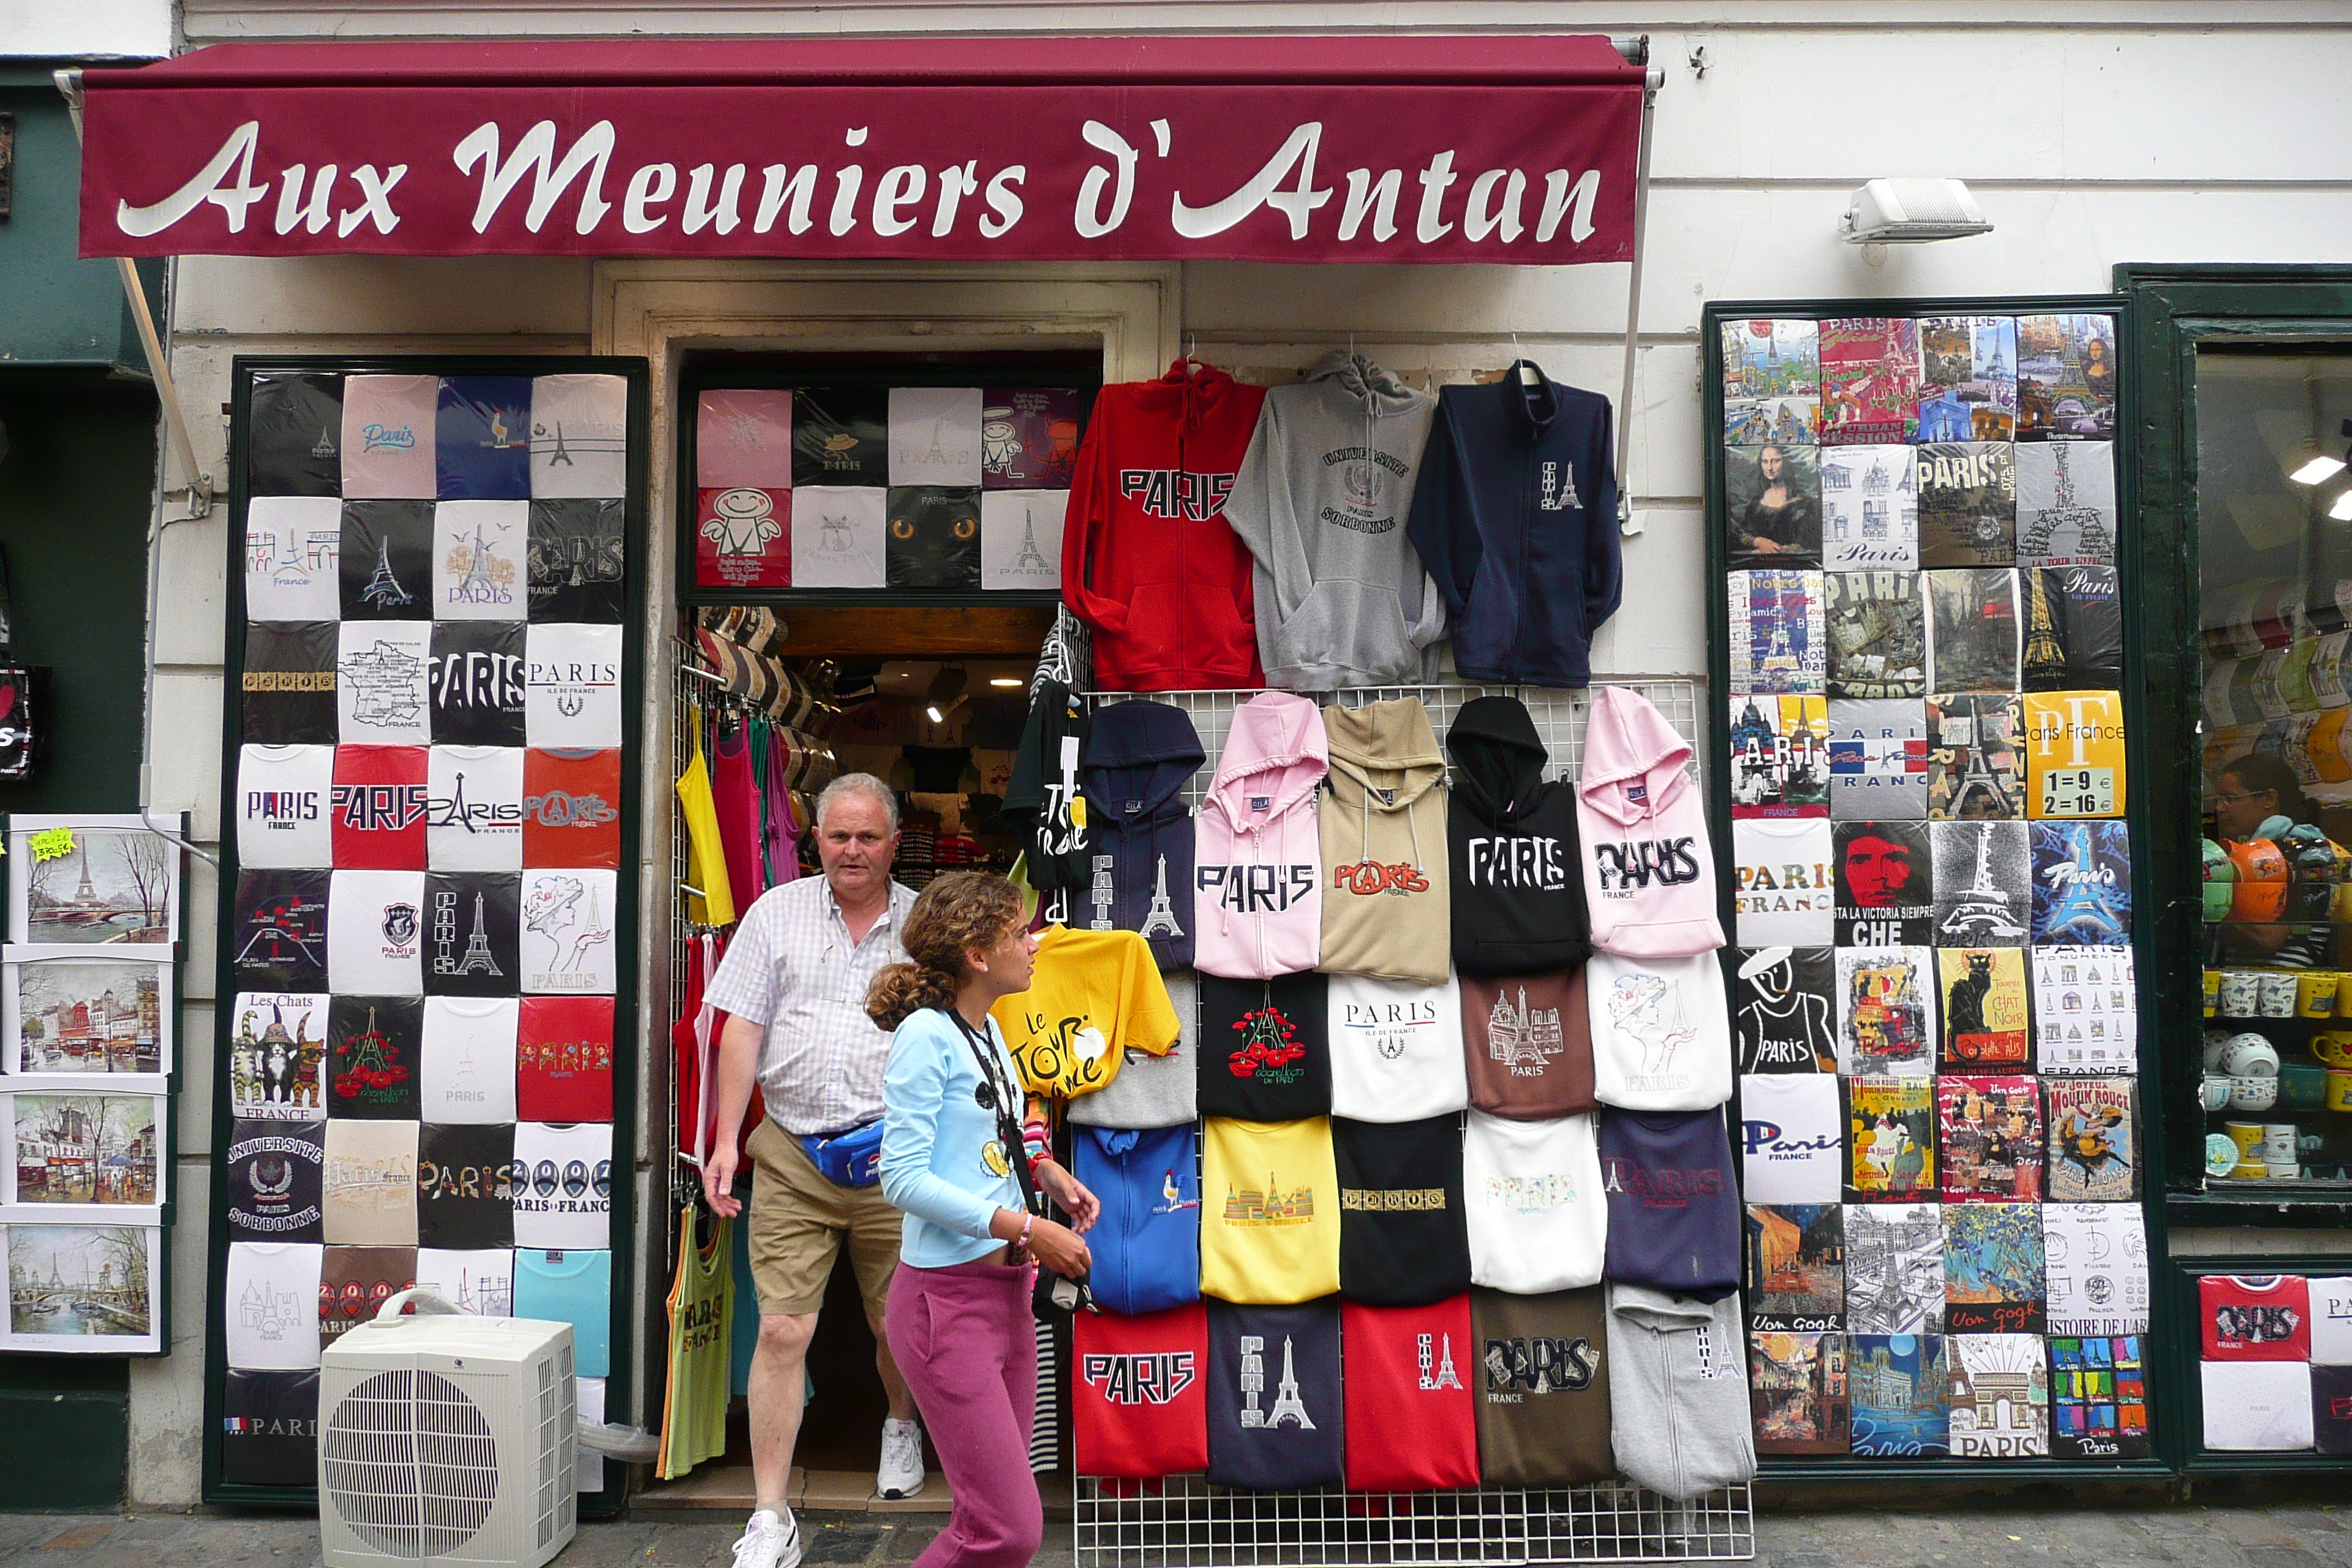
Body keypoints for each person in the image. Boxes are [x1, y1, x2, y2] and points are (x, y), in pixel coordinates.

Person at [703, 773, 925, 1568]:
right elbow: (741, 1028)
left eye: (868, 836)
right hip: (794, 1150)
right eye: (838, 836)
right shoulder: (775, 912)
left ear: (895, 843)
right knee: (783, 1324)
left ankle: (900, 1420)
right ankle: (769, 1513)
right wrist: (727, 1137)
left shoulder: (925, 923)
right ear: (817, 840)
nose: (852, 850)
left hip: (898, 1155)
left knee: (895, 1319)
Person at [868, 871, 1099, 1568]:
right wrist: (1028, 1228)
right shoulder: (924, 1036)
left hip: (1006, 1301)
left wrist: (1045, 1170)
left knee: (989, 1519)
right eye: (1017, 932)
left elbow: (998, 1130)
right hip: (946, 1308)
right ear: (975, 953)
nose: (1034, 944)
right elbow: (901, 1176)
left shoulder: (988, 1031)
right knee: (1009, 1529)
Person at [2210, 753, 2333, 968]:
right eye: (2218, 799)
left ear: (2269, 799)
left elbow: (2267, 938)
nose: (2220, 808)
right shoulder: (2243, 850)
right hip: (2240, 982)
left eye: (2230, 798)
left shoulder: (2308, 851)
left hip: (2286, 984)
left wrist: (2209, 902)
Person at [1732, 444, 1816, 558]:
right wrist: (1758, 543)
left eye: (1776, 461)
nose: (1770, 468)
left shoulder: (1803, 503)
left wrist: (1775, 551)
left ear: (1786, 463)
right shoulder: (1756, 504)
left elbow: (1807, 544)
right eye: (1765, 462)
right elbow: (1744, 536)